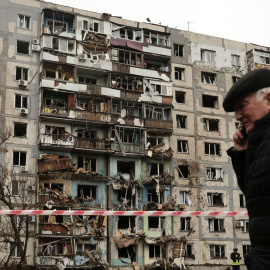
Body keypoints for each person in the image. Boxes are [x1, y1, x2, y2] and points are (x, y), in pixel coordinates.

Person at [223, 68, 270, 269]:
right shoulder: (260, 140)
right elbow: (258, 196)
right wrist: (241, 154)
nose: (238, 116)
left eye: (243, 106)